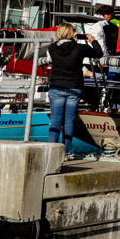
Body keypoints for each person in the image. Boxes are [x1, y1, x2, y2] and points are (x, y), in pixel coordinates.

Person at [46, 22, 103, 158]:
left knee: (55, 120)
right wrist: (93, 41)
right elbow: (98, 53)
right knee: (69, 121)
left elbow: (49, 61)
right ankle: (67, 152)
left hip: (57, 86)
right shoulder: (80, 48)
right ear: (72, 34)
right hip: (74, 87)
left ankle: (50, 152)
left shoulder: (52, 47)